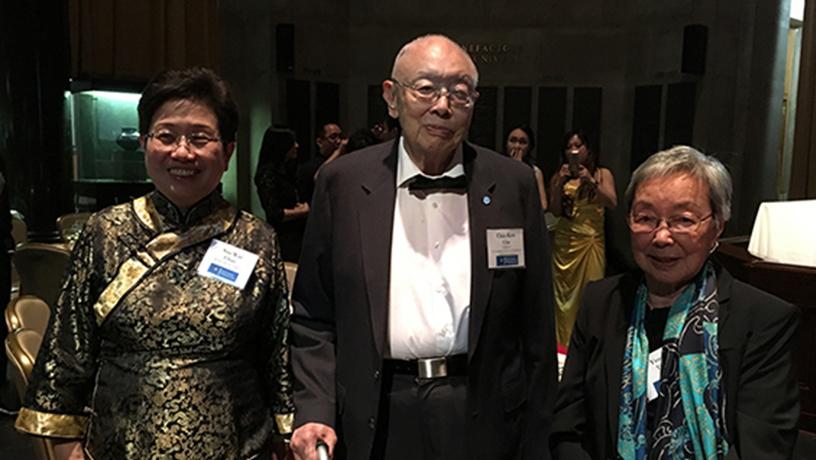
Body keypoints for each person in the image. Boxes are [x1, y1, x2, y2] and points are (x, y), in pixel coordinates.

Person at [289, 34, 557, 460]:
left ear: (473, 104)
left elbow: (537, 324)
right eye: (426, 88)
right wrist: (315, 408)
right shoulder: (342, 183)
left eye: (459, 93)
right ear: (392, 98)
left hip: (484, 414)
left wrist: (540, 439)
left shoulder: (512, 184)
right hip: (376, 411)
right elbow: (313, 315)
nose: (442, 105)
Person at [15, 67, 294, 460]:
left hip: (238, 446)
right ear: (145, 143)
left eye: (200, 138)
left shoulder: (256, 238)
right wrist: (67, 449)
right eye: (166, 136)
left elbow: (275, 352)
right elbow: (68, 348)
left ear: (227, 151)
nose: (182, 152)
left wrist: (285, 435)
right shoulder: (104, 232)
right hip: (120, 446)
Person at [551, 146, 800, 459]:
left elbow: (763, 447)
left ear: (717, 228)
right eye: (645, 218)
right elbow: (568, 428)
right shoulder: (601, 302)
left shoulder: (763, 320)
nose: (661, 236)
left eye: (683, 219)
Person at [549, 130, 617, 346]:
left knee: (592, 292)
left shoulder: (602, 174)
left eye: (579, 145)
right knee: (563, 296)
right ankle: (563, 344)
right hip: (565, 242)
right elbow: (555, 211)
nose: (574, 151)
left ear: (588, 149)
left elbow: (612, 202)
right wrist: (559, 185)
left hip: (590, 242)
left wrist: (591, 182)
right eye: (569, 147)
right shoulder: (560, 175)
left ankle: (587, 343)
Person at [255, 127, 310, 262]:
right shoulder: (267, 174)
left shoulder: (287, 169)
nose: (297, 146)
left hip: (297, 234)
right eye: (292, 142)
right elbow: (275, 213)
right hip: (284, 238)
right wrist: (302, 211)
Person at [297, 122, 343, 203]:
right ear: (320, 142)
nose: (339, 141)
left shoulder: (343, 163)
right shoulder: (309, 168)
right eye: (333, 137)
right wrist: (338, 152)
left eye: (340, 136)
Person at [504, 124, 548, 210]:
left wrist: (521, 171)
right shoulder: (496, 168)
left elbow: (543, 206)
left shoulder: (535, 172)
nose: (517, 146)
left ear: (529, 147)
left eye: (522, 142)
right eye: (513, 141)